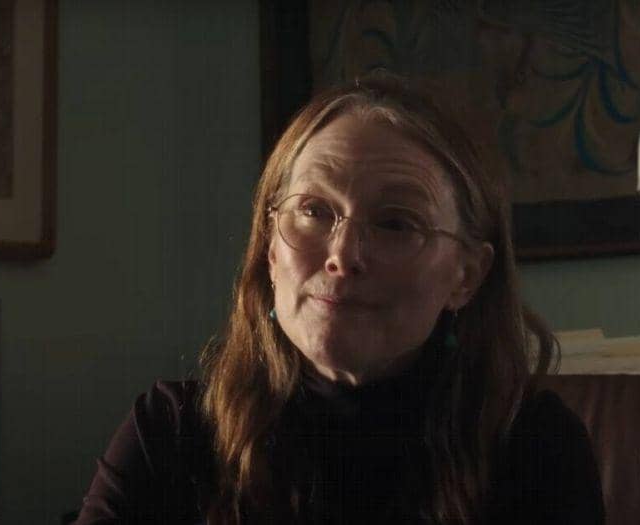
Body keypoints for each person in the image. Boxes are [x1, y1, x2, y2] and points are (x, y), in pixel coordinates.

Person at [75, 74, 604, 524]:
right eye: (313, 210)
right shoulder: (170, 432)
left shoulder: (534, 447)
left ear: (466, 276)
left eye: (396, 223)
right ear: (270, 248)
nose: (343, 256)